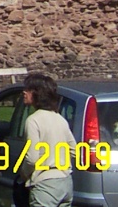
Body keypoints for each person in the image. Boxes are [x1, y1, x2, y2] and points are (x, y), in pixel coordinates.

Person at [18, 73, 77, 207]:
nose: (24, 92)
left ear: (36, 94)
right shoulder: (60, 119)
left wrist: (24, 174)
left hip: (45, 185)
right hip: (65, 182)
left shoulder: (33, 120)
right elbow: (75, 151)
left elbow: (32, 158)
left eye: (28, 90)